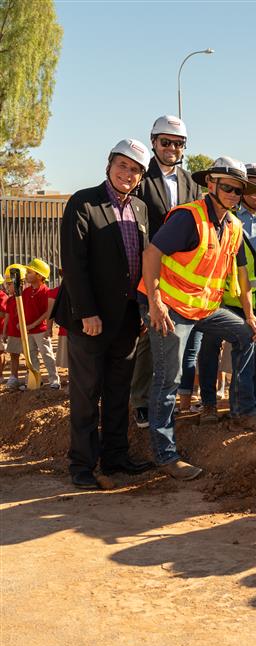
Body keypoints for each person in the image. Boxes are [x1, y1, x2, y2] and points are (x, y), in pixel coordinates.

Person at [140, 157, 256, 481]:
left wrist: (249, 313)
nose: (232, 193)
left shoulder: (233, 225)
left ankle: (244, 411)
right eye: (226, 186)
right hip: (170, 308)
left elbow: (241, 271)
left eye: (238, 189)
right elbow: (151, 254)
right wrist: (155, 303)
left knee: (246, 333)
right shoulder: (188, 218)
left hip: (204, 309)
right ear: (210, 185)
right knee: (168, 378)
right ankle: (165, 454)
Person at [54, 139, 156, 489]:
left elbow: (144, 263)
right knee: (86, 392)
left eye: (134, 170)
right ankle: (82, 465)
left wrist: (144, 309)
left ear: (141, 177)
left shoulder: (141, 209)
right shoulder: (84, 202)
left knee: (118, 391)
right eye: (122, 165)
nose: (127, 174)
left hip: (126, 318)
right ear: (109, 165)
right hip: (90, 319)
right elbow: (74, 263)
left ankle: (115, 458)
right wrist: (87, 312)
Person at [198, 163, 256, 423]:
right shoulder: (227, 217)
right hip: (226, 299)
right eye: (255, 185)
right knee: (212, 351)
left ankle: (251, 409)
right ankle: (210, 406)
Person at [132, 115, 199, 428]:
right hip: (152, 273)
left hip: (183, 278)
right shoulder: (141, 181)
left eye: (178, 143)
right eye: (166, 142)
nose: (172, 148)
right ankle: (143, 401)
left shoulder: (192, 183)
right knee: (151, 337)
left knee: (178, 343)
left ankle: (167, 401)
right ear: (153, 142)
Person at [21, 258, 59, 388]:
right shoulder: (25, 292)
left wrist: (33, 325)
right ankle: (36, 381)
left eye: (29, 272)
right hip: (28, 330)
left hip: (41, 330)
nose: (26, 275)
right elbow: (23, 310)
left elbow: (47, 313)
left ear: (40, 275)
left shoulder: (46, 292)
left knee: (47, 355)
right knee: (31, 356)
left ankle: (54, 380)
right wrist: (22, 323)